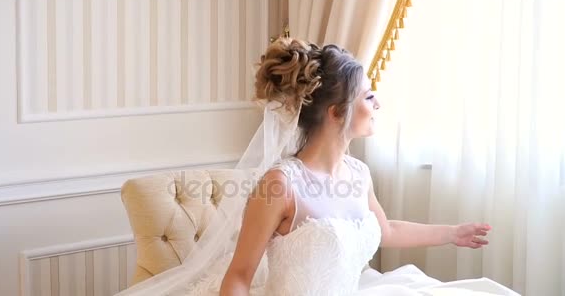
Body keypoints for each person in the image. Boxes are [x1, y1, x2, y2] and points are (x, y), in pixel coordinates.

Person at [117, 38, 519, 296]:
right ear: (335, 112)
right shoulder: (279, 185)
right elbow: (239, 276)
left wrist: (452, 233)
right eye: (369, 96)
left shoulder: (358, 175)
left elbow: (388, 229)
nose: (377, 105)